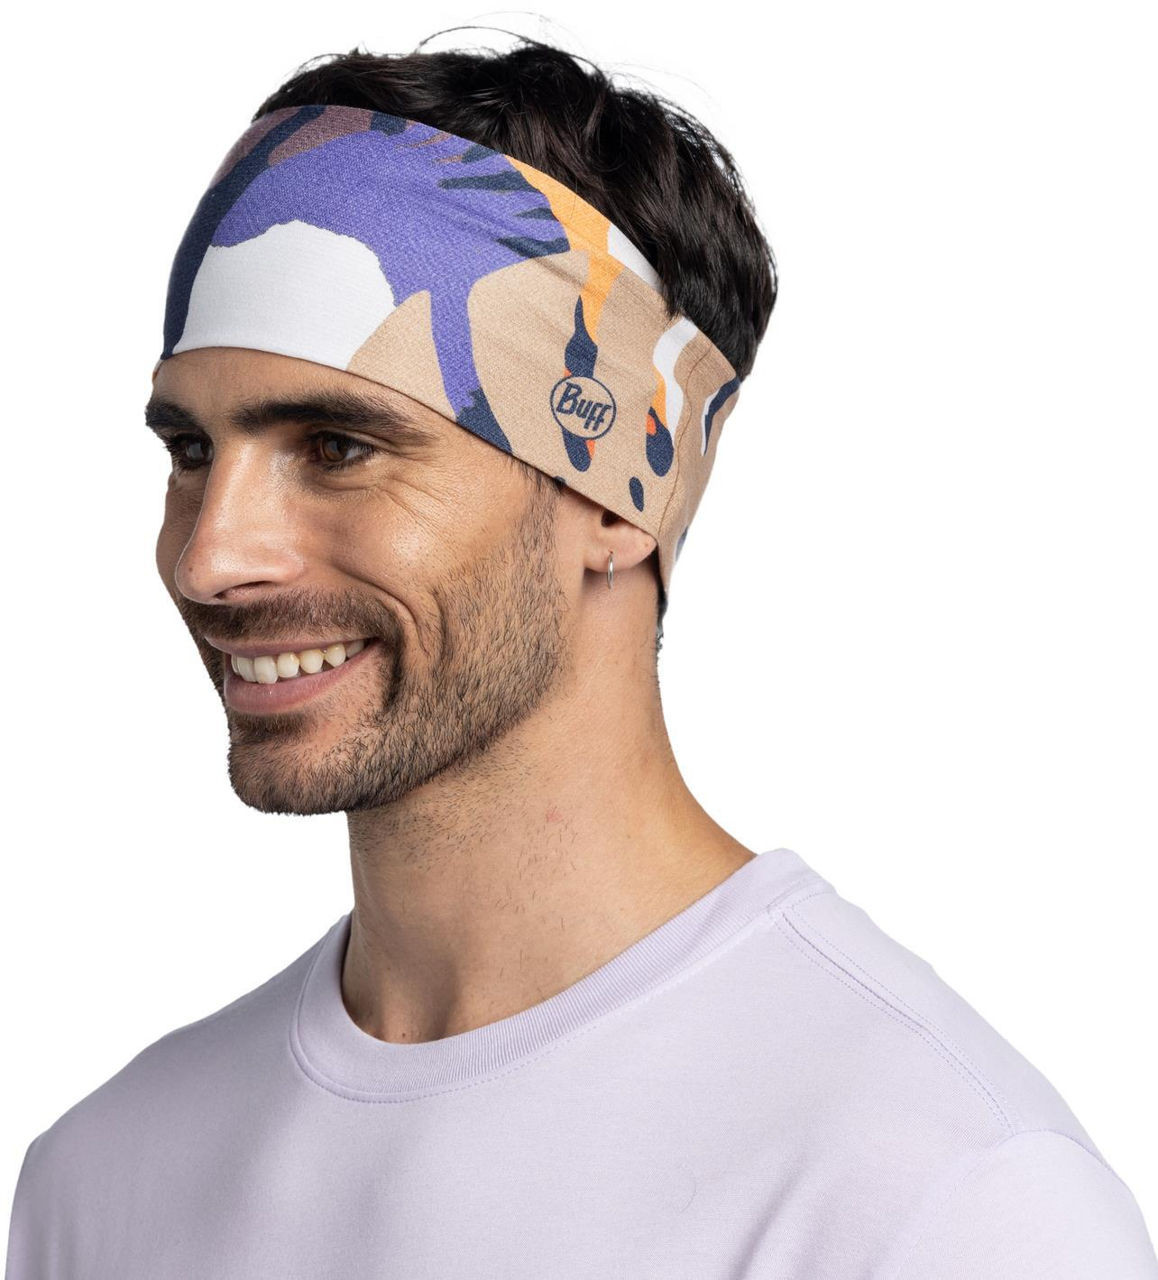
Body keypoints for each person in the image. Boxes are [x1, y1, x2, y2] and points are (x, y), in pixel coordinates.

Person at [5, 33, 1157, 1280]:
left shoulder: (942, 1203)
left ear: (618, 495)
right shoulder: (102, 1180)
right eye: (191, 450)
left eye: (338, 447)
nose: (209, 556)